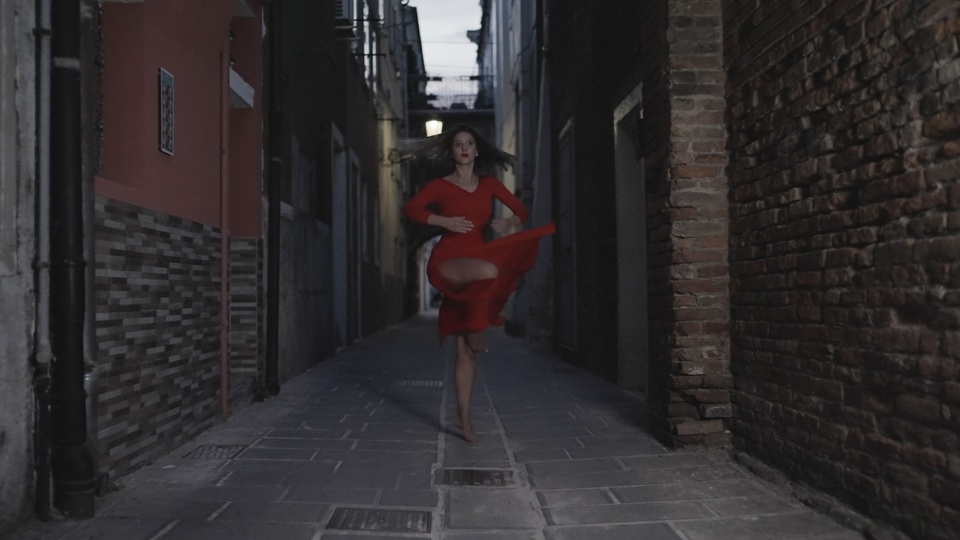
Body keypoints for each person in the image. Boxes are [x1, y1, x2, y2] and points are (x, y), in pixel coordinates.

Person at [403, 124, 555, 442]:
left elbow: (522, 210)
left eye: (469, 143)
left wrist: (508, 221)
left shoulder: (488, 185)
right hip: (448, 261)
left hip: (476, 253)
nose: (464, 148)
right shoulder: (440, 186)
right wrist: (444, 221)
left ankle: (463, 416)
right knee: (489, 272)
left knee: (465, 353)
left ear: (476, 150)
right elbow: (412, 208)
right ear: (451, 152)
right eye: (458, 144)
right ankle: (475, 329)